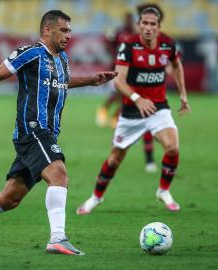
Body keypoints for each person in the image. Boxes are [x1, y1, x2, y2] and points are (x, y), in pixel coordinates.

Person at [0, 10, 117, 255]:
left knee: (9, 199)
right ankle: (58, 238)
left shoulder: (62, 58)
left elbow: (60, 81)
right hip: (33, 130)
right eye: (64, 30)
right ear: (47, 30)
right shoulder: (31, 53)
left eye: (70, 30)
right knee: (58, 175)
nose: (69, 35)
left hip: (47, 133)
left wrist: (90, 80)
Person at [77, 4, 191, 215]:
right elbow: (118, 81)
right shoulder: (128, 46)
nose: (148, 28)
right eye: (144, 23)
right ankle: (96, 197)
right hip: (131, 112)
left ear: (159, 26)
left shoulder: (168, 44)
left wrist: (183, 94)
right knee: (113, 160)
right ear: (139, 25)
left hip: (158, 108)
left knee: (173, 148)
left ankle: (164, 191)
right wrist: (138, 99)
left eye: (152, 24)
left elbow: (176, 65)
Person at [96, 12, 157, 173]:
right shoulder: (119, 32)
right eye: (127, 19)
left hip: (134, 71)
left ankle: (117, 120)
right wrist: (112, 51)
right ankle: (106, 113)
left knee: (126, 96)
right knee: (118, 93)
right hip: (119, 68)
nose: (128, 21)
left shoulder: (137, 35)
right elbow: (107, 41)